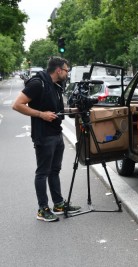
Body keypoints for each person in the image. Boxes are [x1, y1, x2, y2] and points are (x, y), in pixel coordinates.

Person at [12, 56, 81, 222]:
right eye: (66, 70)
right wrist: (41, 114)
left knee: (54, 170)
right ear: (58, 70)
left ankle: (58, 204)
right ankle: (42, 209)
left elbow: (55, 109)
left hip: (56, 133)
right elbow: (17, 104)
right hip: (43, 135)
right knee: (42, 172)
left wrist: (72, 110)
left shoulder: (55, 85)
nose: (67, 73)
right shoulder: (38, 83)